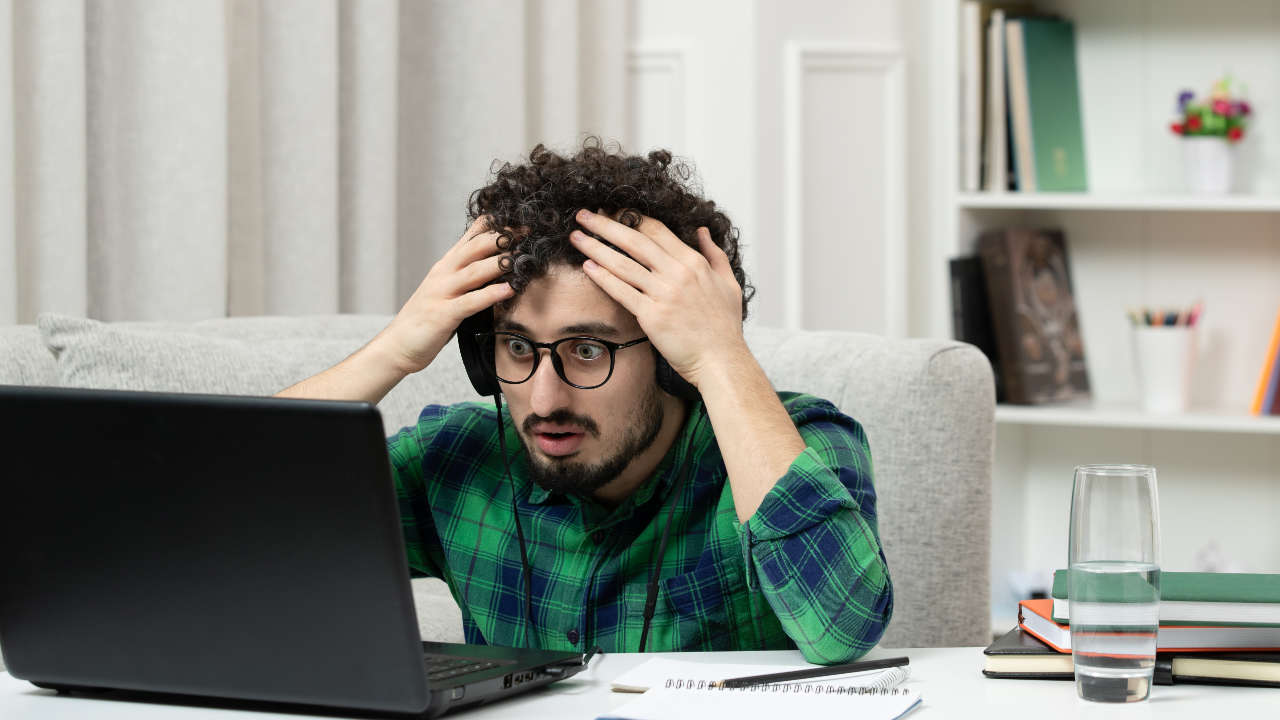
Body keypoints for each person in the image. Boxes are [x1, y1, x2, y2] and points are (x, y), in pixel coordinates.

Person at [278, 139, 892, 664]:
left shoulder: (801, 443)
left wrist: (720, 356)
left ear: (671, 358)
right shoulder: (456, 461)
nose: (545, 398)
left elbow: (841, 630)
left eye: (588, 351)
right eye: (518, 347)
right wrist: (395, 351)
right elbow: (217, 516)